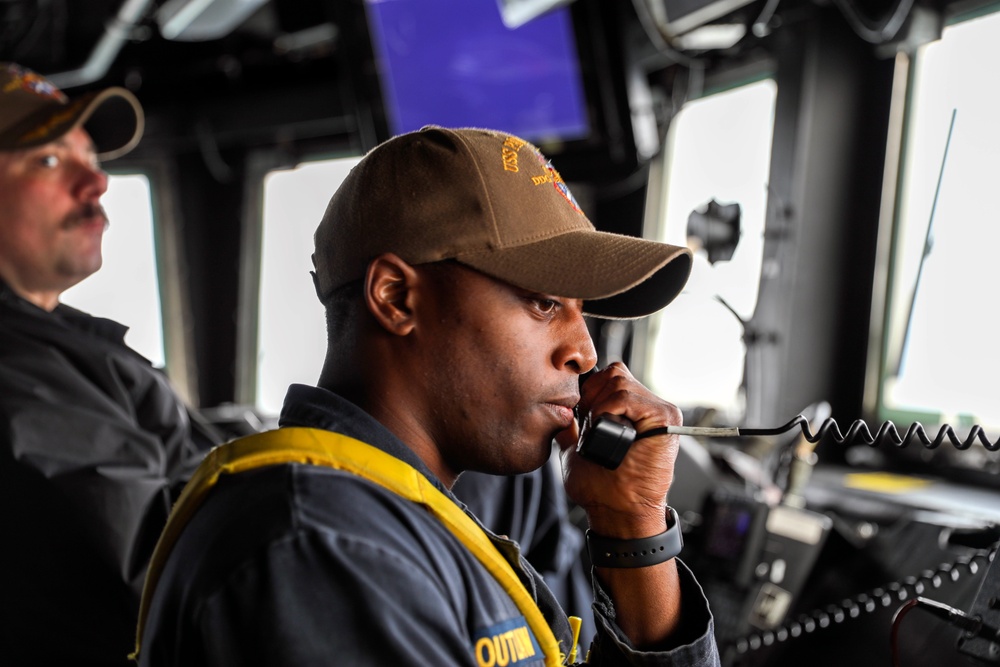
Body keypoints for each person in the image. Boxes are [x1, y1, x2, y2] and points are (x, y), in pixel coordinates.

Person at [133, 126, 720, 666]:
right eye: (544, 303)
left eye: (580, 313)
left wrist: (632, 525)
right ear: (395, 298)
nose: (586, 355)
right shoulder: (322, 548)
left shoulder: (395, 517)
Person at [0, 63, 217, 666]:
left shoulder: (55, 341)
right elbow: (164, 577)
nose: (95, 181)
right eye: (46, 160)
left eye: (90, 156)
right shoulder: (14, 373)